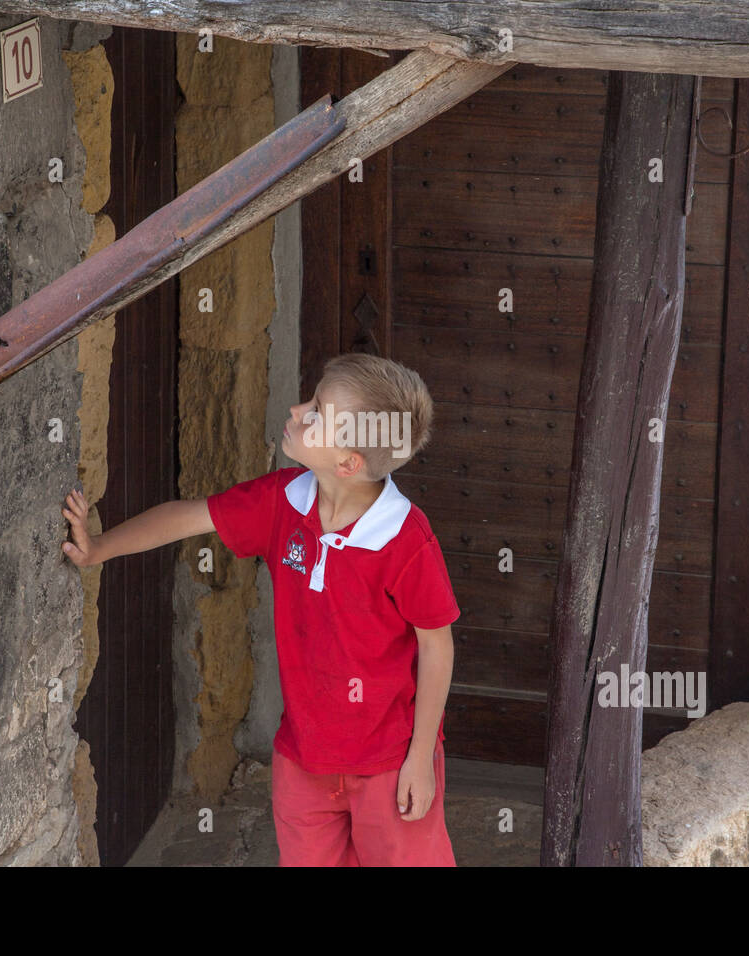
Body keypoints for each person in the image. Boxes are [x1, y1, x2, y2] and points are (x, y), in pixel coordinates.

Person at [60, 352, 460, 866]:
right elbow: (188, 517)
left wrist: (421, 759)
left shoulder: (408, 541)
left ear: (348, 464)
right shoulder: (281, 502)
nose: (295, 410)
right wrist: (97, 549)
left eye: (314, 412)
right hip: (303, 760)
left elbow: (436, 645)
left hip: (389, 763)